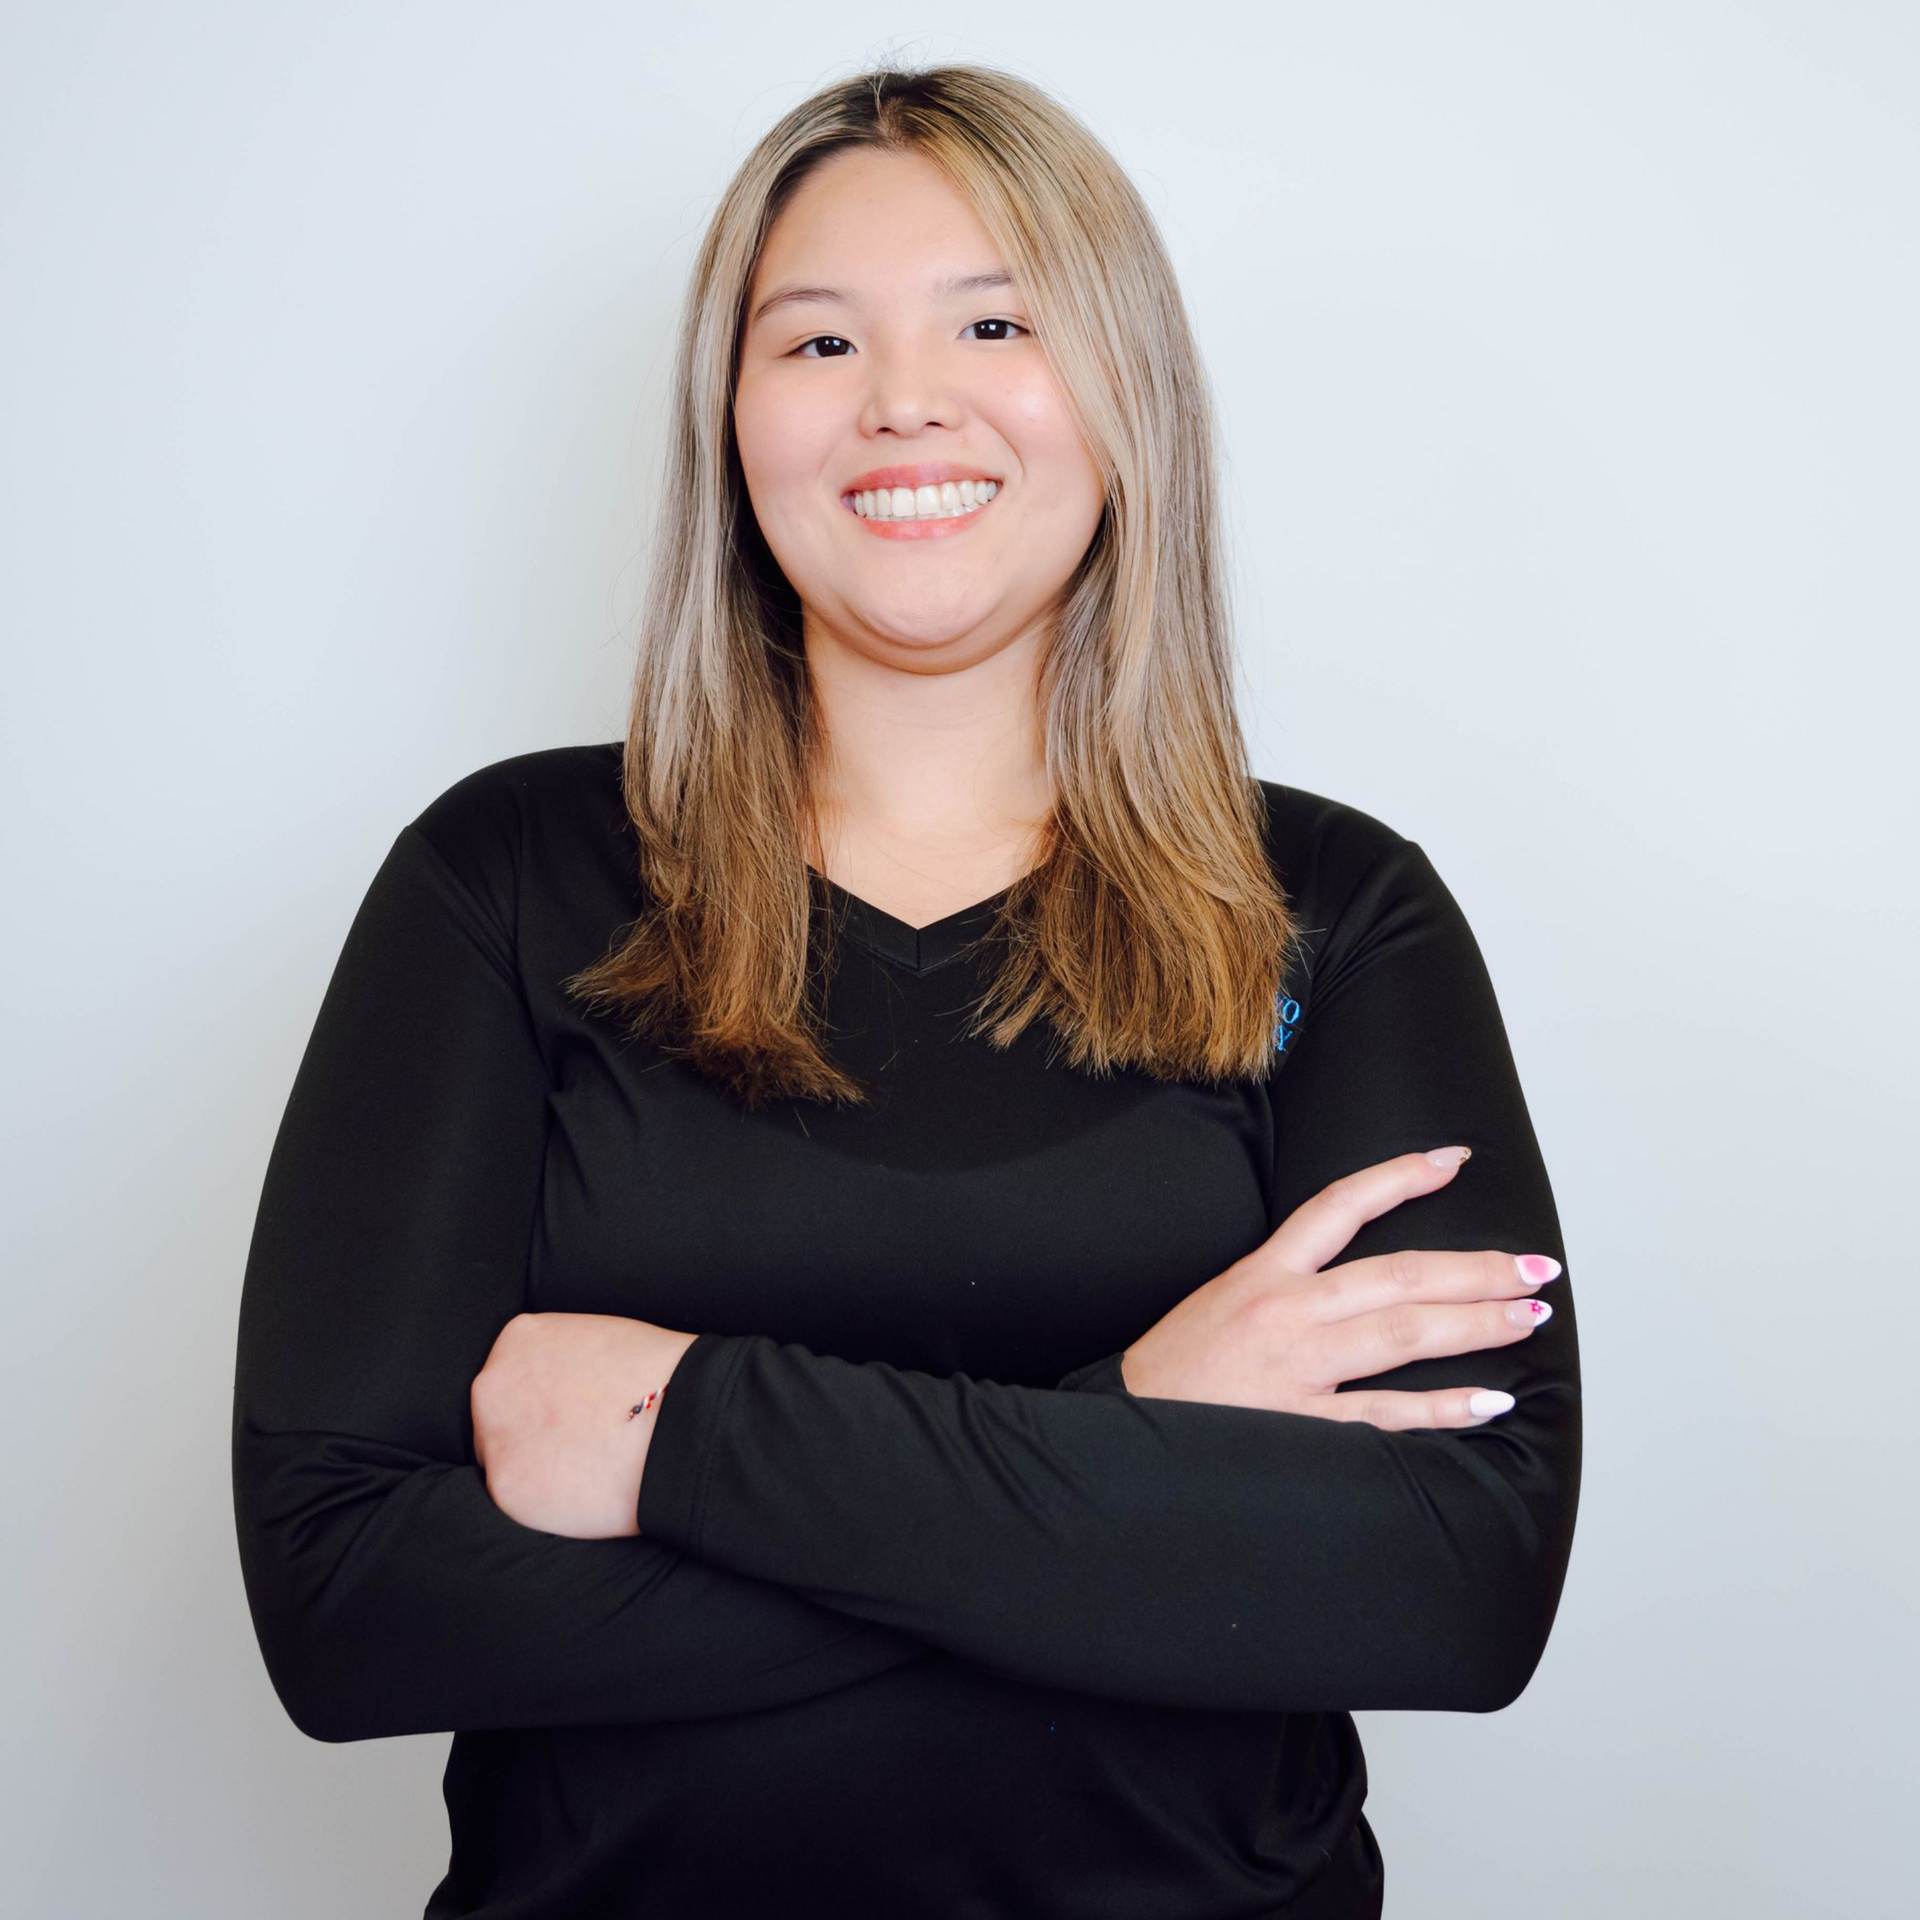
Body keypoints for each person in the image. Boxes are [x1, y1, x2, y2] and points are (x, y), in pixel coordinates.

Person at [231, 63, 1581, 1920]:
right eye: (817, 340)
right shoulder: (505, 881)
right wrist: (1146, 1433)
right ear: (730, 422)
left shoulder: (1334, 915)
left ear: (1125, 392)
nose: (904, 399)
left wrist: (680, 1433)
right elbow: (347, 1607)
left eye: (996, 322)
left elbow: (1458, 1589)